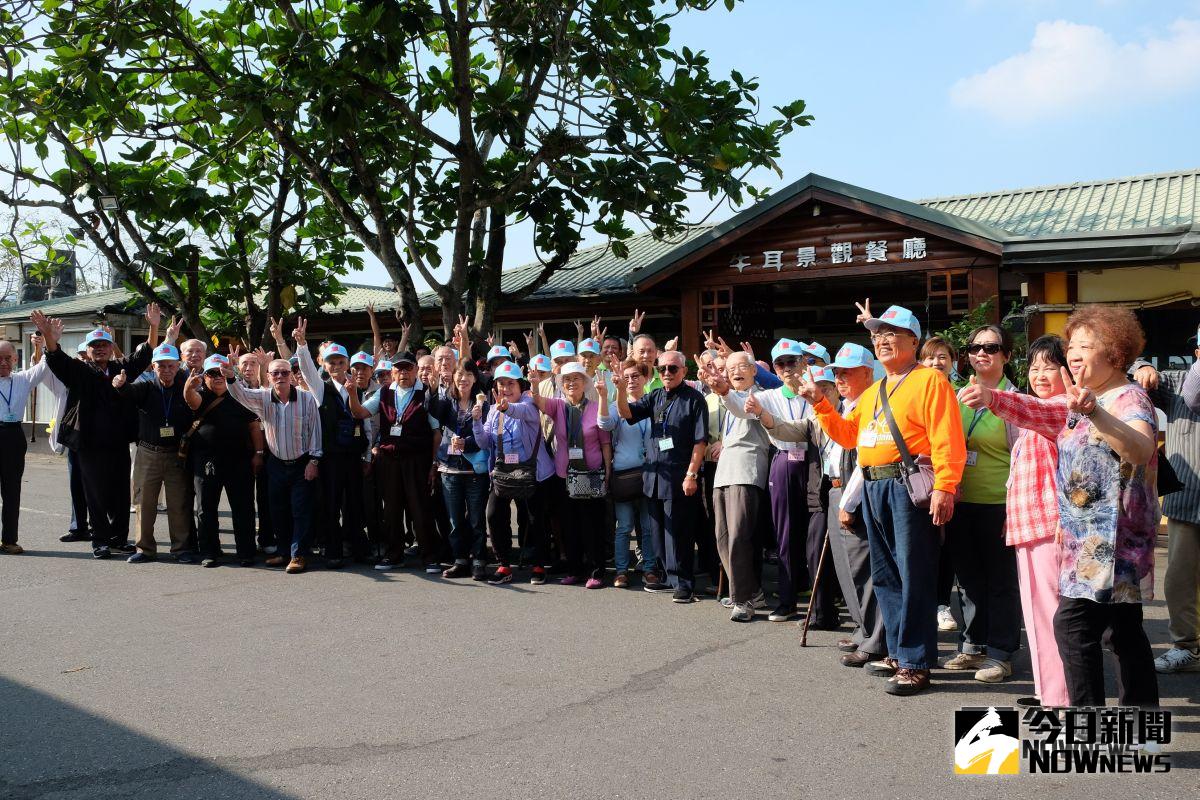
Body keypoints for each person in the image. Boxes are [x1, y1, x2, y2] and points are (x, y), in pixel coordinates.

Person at [976, 305, 1159, 707]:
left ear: (1113, 353)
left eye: (1085, 345)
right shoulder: (1085, 400)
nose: (1073, 354)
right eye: (1072, 345)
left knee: (1076, 628)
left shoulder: (1127, 397)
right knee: (1121, 632)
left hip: (1114, 538)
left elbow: (1142, 448)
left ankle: (1086, 719)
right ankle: (1137, 721)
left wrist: (1094, 412)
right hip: (1089, 538)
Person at [803, 304, 965, 696]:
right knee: (888, 576)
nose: (883, 339)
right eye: (878, 334)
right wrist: (820, 403)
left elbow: (946, 437)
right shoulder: (875, 389)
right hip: (875, 486)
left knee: (915, 575)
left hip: (907, 488)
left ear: (914, 340)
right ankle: (897, 651)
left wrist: (945, 486)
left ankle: (915, 662)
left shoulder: (930, 381)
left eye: (893, 332)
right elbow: (848, 436)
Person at [959, 335, 1070, 706]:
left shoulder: (1063, 407)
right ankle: (1046, 691)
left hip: (1049, 526)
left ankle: (1059, 697)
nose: (1040, 374)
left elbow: (1031, 413)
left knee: (1051, 614)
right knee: (1037, 612)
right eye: (1035, 367)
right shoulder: (1041, 405)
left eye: (1049, 367)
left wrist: (991, 397)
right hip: (1027, 524)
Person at [33, 307, 161, 559]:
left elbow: (145, 354)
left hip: (118, 443)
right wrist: (49, 337)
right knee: (95, 494)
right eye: (95, 345)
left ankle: (119, 539)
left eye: (104, 344)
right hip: (88, 444)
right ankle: (100, 541)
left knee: (121, 493)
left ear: (112, 347)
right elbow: (56, 358)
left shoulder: (121, 368)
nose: (100, 349)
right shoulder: (79, 371)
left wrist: (154, 326)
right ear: (88, 350)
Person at [943, 325, 1022, 684]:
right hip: (962, 501)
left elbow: (1024, 459)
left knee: (1001, 582)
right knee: (969, 580)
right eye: (974, 347)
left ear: (1006, 355)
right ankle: (972, 646)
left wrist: (1015, 507)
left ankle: (1001, 654)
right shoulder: (957, 397)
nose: (981, 353)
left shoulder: (1016, 400)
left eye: (992, 347)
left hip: (1000, 503)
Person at [802, 344, 888, 667]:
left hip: (854, 494)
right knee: (846, 570)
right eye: (836, 371)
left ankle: (876, 639)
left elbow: (864, 462)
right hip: (835, 490)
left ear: (868, 373)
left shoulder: (872, 403)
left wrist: (849, 501)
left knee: (863, 570)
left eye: (847, 372)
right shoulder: (850, 406)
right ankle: (862, 628)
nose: (839, 378)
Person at [725, 338, 814, 622]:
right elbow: (741, 407)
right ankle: (787, 601)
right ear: (775, 369)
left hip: (815, 465)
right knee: (785, 536)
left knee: (816, 534)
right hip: (784, 463)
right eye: (781, 363)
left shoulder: (818, 391)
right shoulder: (769, 395)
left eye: (793, 361)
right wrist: (724, 390)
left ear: (804, 362)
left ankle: (822, 601)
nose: (788, 368)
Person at [614, 350, 708, 603]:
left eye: (672, 368)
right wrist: (621, 389)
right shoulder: (655, 396)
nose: (666, 373)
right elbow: (626, 414)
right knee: (657, 532)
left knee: (679, 532)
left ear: (683, 371)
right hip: (654, 476)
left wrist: (691, 474)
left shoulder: (695, 399)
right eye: (662, 368)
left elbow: (701, 442)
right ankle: (668, 578)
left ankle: (684, 583)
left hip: (679, 476)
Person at [1137, 327, 1200, 673]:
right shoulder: (1175, 382)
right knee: (1179, 578)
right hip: (1186, 500)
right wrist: (1143, 366)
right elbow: (1132, 364)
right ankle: (1186, 646)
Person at [225, 351, 323, 574]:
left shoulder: (307, 399)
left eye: (285, 372)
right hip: (276, 464)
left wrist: (314, 461)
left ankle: (298, 555)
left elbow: (315, 431)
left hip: (301, 463)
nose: (280, 376)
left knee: (300, 510)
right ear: (268, 376)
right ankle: (284, 551)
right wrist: (231, 376)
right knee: (277, 510)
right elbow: (240, 394)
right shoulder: (263, 397)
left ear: (291, 375)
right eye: (275, 373)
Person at [696, 351, 771, 621]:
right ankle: (751, 591)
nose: (736, 371)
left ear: (754, 371)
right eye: (730, 368)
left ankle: (744, 599)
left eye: (742, 366)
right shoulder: (725, 397)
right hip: (724, 472)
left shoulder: (760, 396)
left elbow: (741, 406)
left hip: (747, 470)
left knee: (740, 537)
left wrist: (724, 388)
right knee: (723, 538)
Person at [294, 323, 372, 568]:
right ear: (324, 365)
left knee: (355, 505)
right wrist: (302, 345)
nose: (336, 367)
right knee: (331, 504)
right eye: (331, 362)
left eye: (340, 362)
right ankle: (333, 549)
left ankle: (359, 548)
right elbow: (306, 370)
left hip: (353, 457)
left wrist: (367, 456)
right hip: (330, 458)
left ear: (347, 364)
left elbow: (365, 422)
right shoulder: (320, 388)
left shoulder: (356, 387)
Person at [473, 361, 556, 584]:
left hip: (534, 472)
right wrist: (476, 422)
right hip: (505, 474)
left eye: (511, 384)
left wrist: (506, 407)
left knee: (534, 519)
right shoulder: (492, 410)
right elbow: (484, 442)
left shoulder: (529, 403)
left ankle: (538, 564)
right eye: (501, 384)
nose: (506, 388)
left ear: (521, 387)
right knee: (493, 515)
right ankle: (503, 564)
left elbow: (521, 412)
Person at [360, 351, 443, 573]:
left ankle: (430, 556)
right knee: (391, 510)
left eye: (407, 368)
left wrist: (434, 463)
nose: (403, 372)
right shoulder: (384, 392)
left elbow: (436, 432)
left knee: (420, 508)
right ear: (392, 372)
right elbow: (359, 411)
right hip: (389, 459)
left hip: (417, 458)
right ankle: (393, 554)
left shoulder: (426, 392)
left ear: (416, 370)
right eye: (398, 369)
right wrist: (351, 393)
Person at [531, 363, 613, 587]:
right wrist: (535, 384)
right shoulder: (558, 406)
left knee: (592, 526)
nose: (571, 383)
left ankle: (596, 572)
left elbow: (605, 443)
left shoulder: (596, 406)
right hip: (564, 477)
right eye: (567, 379)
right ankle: (575, 570)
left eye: (576, 378)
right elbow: (537, 401)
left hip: (592, 475)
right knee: (570, 525)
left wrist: (607, 472)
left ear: (585, 383)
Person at [114, 343, 196, 563]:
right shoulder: (146, 387)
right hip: (148, 452)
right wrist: (121, 385)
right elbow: (128, 393)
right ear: (153, 367)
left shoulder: (185, 387)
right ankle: (144, 549)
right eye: (161, 366)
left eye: (171, 366)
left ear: (178, 366)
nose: (166, 370)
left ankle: (181, 548)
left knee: (179, 503)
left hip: (176, 454)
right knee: (144, 503)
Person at [182, 355, 262, 567]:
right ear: (205, 376)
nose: (217, 377)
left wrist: (259, 453)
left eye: (221, 372)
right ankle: (210, 551)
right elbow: (191, 400)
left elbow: (254, 427)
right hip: (207, 461)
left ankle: (246, 552)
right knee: (206, 508)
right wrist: (188, 388)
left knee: (243, 507)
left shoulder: (241, 396)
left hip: (240, 461)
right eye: (212, 373)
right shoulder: (201, 395)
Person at [598, 359, 655, 588]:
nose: (631, 381)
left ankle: (649, 569)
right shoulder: (616, 406)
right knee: (624, 526)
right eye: (627, 377)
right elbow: (604, 424)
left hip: (650, 473)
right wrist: (604, 396)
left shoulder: (653, 403)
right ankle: (621, 570)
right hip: (623, 474)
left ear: (645, 378)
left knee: (648, 526)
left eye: (635, 376)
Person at [431, 364, 491, 580]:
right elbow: (432, 414)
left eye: (468, 374)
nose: (463, 378)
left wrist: (467, 443)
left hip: (475, 470)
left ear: (475, 379)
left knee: (476, 520)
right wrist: (436, 381)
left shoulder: (483, 403)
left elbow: (487, 437)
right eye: (459, 374)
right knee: (455, 520)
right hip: (449, 468)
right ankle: (460, 560)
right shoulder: (447, 400)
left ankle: (479, 561)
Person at [0, 336, 56, 554]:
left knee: (12, 490)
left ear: (15, 359)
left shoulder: (22, 379)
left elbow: (44, 365)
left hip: (13, 435)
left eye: (7, 358)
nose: (3, 363)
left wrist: (45, 342)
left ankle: (9, 540)